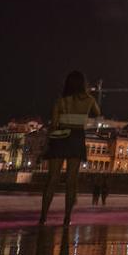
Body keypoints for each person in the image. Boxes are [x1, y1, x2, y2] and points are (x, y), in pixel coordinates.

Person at [39, 70, 101, 226]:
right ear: (83, 84)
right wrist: (87, 98)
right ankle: (67, 218)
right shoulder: (89, 100)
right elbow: (97, 112)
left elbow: (53, 125)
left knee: (52, 179)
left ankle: (43, 216)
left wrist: (47, 144)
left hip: (60, 136)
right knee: (71, 180)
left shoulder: (61, 101)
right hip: (76, 137)